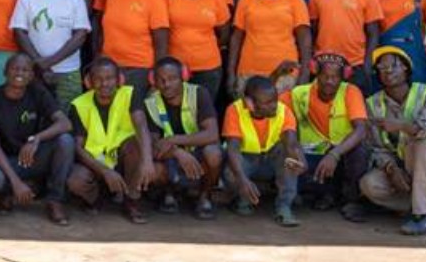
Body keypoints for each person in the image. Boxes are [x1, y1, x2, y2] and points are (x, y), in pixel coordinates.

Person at [359, 46, 426, 235]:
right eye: (382, 68)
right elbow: (377, 148)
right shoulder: (372, 103)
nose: (387, 72)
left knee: (420, 146)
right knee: (369, 184)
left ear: (406, 68)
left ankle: (424, 215)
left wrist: (400, 126)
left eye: (393, 66)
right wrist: (391, 169)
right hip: (404, 168)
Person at [0, 53, 76, 225]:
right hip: (6, 161)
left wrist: (36, 139)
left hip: (33, 157)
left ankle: (55, 200)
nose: (20, 73)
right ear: (5, 71)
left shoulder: (37, 92)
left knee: (65, 141)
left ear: (31, 75)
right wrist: (15, 182)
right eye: (15, 68)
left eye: (25, 69)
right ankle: (8, 193)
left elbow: (65, 124)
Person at [280, 53, 370, 221]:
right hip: (312, 154)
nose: (329, 81)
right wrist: (276, 75)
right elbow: (270, 104)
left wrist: (334, 154)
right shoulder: (300, 93)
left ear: (342, 78)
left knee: (359, 152)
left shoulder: (351, 92)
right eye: (325, 76)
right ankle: (325, 194)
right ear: (316, 74)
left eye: (335, 77)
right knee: (289, 161)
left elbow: (361, 130)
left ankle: (352, 201)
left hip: (341, 154)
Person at [67, 57, 155, 224]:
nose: (104, 84)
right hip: (96, 164)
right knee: (76, 181)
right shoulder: (78, 105)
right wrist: (104, 171)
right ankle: (97, 197)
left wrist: (147, 160)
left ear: (119, 80)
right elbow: (78, 148)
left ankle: (131, 200)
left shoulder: (129, 94)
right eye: (98, 79)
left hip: (123, 160)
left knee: (137, 144)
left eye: (109, 78)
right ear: (89, 82)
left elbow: (141, 126)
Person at [227, 0, 311, 100]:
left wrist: (305, 72)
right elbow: (236, 38)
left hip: (285, 75)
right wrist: (231, 73)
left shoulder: (295, 1)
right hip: (249, 71)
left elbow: (304, 39)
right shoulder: (246, 0)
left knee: (283, 117)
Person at [143, 57, 223, 219]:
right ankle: (169, 193)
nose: (167, 84)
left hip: (198, 152)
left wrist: (173, 140)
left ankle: (205, 197)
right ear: (154, 81)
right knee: (156, 169)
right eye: (162, 80)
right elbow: (153, 145)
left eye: (172, 79)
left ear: (183, 77)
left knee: (213, 153)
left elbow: (212, 134)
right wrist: (178, 153)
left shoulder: (198, 93)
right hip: (170, 155)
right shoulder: (151, 103)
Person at [222, 75, 308, 225]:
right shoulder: (234, 110)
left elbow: (290, 143)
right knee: (231, 170)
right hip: (246, 159)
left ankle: (284, 206)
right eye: (267, 102)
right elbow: (233, 149)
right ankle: (242, 199)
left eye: (275, 99)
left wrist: (297, 158)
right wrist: (242, 180)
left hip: (271, 159)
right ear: (249, 103)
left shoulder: (284, 111)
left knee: (289, 157)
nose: (274, 105)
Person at [12, 0, 92, 106]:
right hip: (34, 71)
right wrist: (38, 63)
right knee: (33, 116)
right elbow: (19, 32)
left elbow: (80, 36)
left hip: (68, 71)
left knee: (68, 117)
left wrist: (47, 63)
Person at [95, 0, 169, 93]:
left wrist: (156, 78)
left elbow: (161, 45)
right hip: (110, 68)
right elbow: (104, 30)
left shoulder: (155, 0)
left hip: (138, 71)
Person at [309, 0, 382, 92]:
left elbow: (373, 33)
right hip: (324, 63)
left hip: (355, 64)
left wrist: (368, 64)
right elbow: (313, 30)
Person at [162, 0, 231, 100]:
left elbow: (224, 33)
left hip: (208, 67)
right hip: (174, 66)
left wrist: (203, 48)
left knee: (202, 111)